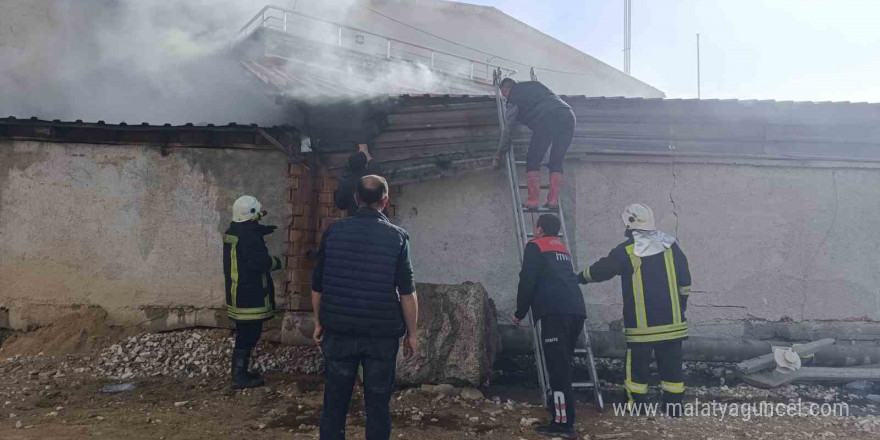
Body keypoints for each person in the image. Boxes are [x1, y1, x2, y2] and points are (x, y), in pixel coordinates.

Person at [312, 175, 419, 440]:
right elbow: (407, 292)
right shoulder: (397, 238)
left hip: (339, 332)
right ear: (385, 200)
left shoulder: (334, 231)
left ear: (356, 198)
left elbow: (317, 285)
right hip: (380, 336)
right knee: (378, 406)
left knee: (334, 404)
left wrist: (318, 322)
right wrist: (412, 334)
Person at [577, 203, 691, 416]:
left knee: (637, 368)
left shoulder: (627, 251)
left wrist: (580, 277)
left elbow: (602, 270)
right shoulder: (670, 245)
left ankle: (636, 406)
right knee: (672, 366)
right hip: (673, 324)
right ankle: (674, 408)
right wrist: (680, 307)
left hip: (642, 327)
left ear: (629, 225)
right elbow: (685, 281)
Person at [513, 214, 587, 439]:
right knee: (563, 364)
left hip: (555, 313)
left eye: (535, 227)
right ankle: (560, 410)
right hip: (575, 311)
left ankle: (563, 425)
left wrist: (519, 313)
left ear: (540, 229)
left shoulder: (535, 246)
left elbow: (527, 281)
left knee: (557, 370)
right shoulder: (561, 249)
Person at [222, 195, 284, 390]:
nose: (259, 217)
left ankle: (240, 372)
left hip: (237, 292)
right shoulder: (248, 237)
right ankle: (239, 375)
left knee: (245, 331)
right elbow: (259, 262)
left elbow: (247, 234)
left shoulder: (234, 230)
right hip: (249, 293)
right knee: (249, 333)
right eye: (257, 214)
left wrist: (261, 231)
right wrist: (277, 262)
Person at [493, 78, 576, 211]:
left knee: (533, 158)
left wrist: (499, 153)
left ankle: (533, 201)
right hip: (568, 116)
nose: (505, 97)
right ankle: (553, 201)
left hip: (547, 118)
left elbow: (508, 128)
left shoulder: (514, 97)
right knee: (556, 160)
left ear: (506, 89)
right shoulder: (536, 85)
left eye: (504, 94)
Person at [334, 143, 381, 216]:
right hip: (374, 219)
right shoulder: (371, 177)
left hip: (354, 219)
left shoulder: (345, 183)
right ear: (365, 165)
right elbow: (374, 166)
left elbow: (340, 205)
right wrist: (365, 152)